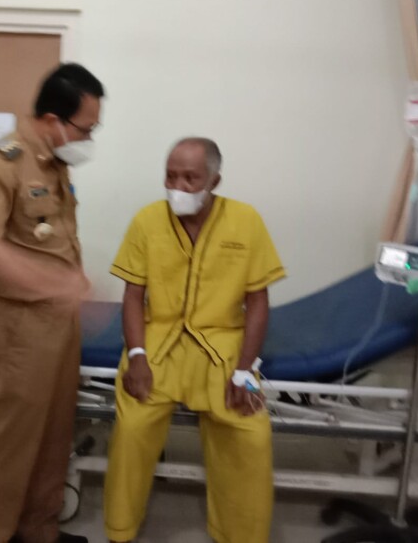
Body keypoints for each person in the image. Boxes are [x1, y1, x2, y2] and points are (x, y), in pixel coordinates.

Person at [104, 138, 286, 543]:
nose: (178, 187)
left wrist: (244, 371)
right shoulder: (147, 220)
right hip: (158, 343)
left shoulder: (246, 221)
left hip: (224, 347)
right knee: (132, 428)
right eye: (170, 176)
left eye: (190, 178)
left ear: (214, 181)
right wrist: (137, 356)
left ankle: (241, 535)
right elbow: (132, 296)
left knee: (251, 435)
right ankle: (120, 530)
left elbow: (258, 303)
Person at [0, 63, 105, 543]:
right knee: (14, 442)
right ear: (52, 120)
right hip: (21, 326)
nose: (89, 137)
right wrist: (56, 286)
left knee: (54, 434)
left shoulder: (55, 162)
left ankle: (39, 529)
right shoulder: (0, 162)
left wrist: (69, 286)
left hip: (60, 322)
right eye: (86, 128)